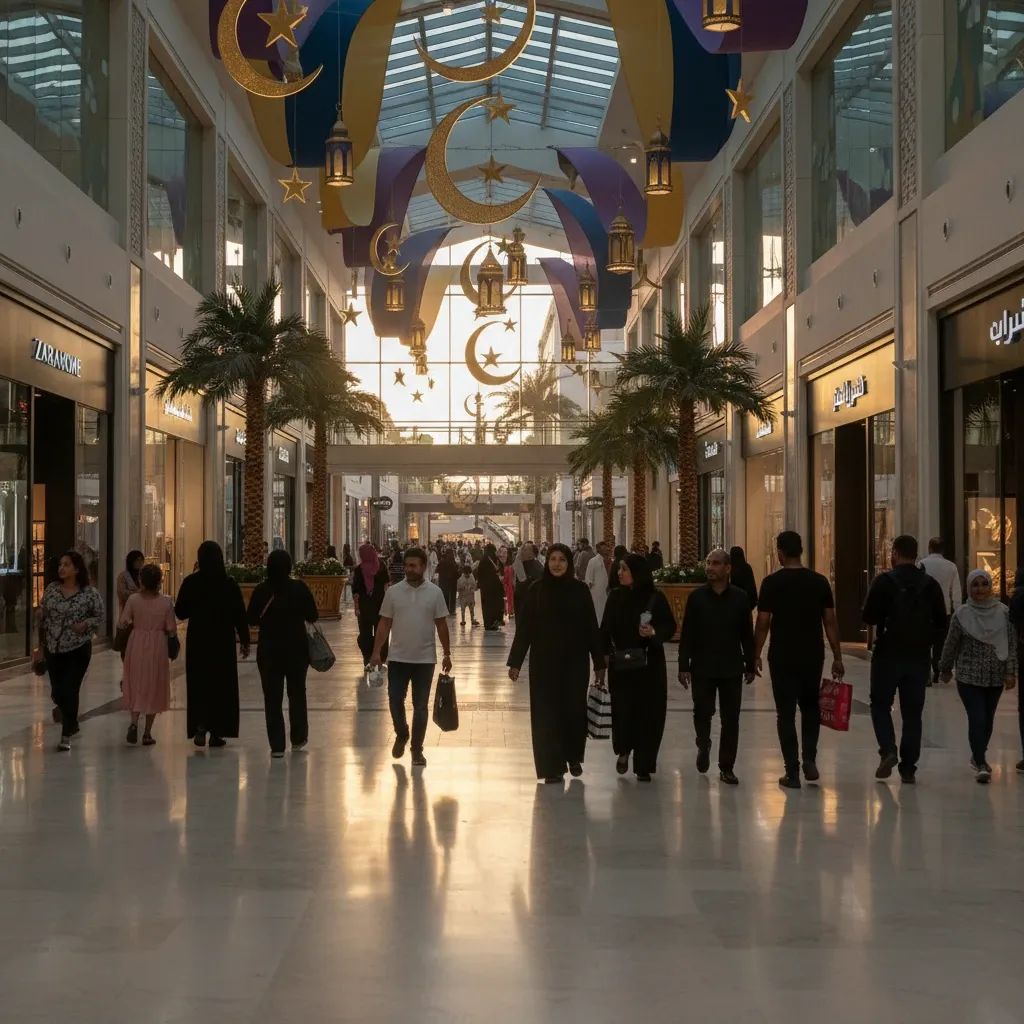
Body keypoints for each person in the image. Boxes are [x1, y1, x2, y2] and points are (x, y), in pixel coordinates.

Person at [754, 531, 844, 789]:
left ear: (780, 552)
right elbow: (830, 621)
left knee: (785, 713)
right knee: (810, 707)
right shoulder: (819, 582)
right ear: (801, 550)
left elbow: (762, 622)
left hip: (782, 655)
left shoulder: (771, 583)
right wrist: (837, 656)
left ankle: (791, 770)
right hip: (812, 654)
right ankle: (809, 759)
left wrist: (755, 653)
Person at [508, 544, 605, 782]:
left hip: (575, 662)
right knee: (545, 714)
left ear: (569, 563)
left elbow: (591, 627)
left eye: (562, 559)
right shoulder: (537, 590)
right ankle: (551, 767)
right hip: (544, 664)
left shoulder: (580, 590)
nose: (557, 564)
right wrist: (516, 662)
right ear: (547, 561)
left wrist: (599, 662)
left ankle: (572, 757)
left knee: (573, 710)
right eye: (553, 559)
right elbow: (525, 629)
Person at [862, 534, 948, 784]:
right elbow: (942, 622)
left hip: (888, 654)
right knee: (912, 713)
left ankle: (888, 750)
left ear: (895, 553)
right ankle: (909, 768)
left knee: (880, 704)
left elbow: (868, 616)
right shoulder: (930, 584)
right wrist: (926, 642)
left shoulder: (884, 581)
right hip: (918, 657)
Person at [678, 548, 756, 785]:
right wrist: (684, 665)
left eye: (716, 563)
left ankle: (727, 766)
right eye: (708, 563)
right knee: (702, 711)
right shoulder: (697, 598)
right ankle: (703, 743)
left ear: (728, 568)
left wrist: (750, 663)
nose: (710, 568)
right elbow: (687, 633)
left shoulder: (740, 598)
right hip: (703, 666)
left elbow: (746, 634)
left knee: (731, 718)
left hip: (731, 667)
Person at [369, 547, 452, 768]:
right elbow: (384, 623)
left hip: (425, 659)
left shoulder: (435, 593)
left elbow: (441, 624)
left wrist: (447, 652)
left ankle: (417, 750)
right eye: (406, 565)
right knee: (395, 700)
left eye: (413, 565)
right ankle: (402, 733)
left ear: (424, 566)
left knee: (421, 705)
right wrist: (376, 652)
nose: (409, 569)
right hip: (397, 658)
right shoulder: (393, 592)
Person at [601, 554, 676, 781]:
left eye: (624, 569)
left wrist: (653, 633)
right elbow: (605, 630)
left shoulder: (655, 598)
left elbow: (669, 626)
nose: (619, 573)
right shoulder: (615, 597)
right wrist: (602, 657)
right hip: (622, 667)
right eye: (620, 569)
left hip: (649, 667)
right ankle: (624, 750)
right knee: (623, 711)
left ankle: (644, 763)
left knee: (649, 713)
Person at [939, 568, 1016, 783]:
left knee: (988, 719)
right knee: (977, 717)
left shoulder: (1003, 613)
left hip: (995, 676)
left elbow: (1010, 645)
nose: (980, 589)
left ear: (990, 587)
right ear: (968, 588)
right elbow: (951, 644)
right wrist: (944, 668)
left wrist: (1011, 673)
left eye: (984, 584)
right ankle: (981, 762)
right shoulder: (962, 614)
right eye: (975, 584)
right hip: (968, 677)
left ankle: (977, 754)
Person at [174, 541, 250, 748]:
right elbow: (239, 615)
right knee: (221, 685)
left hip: (198, 641)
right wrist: (244, 640)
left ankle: (200, 724)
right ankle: (218, 731)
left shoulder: (191, 582)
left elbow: (180, 611)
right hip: (222, 642)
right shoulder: (229, 583)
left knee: (199, 683)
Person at [247, 550, 319, 758]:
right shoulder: (299, 588)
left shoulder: (262, 590)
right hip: (297, 650)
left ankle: (277, 745)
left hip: (269, 650)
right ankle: (298, 738)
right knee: (297, 693)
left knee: (272, 697)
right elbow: (312, 615)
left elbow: (251, 618)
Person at [34, 551, 104, 751]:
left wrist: (86, 624)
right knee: (57, 691)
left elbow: (99, 616)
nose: (61, 568)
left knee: (70, 689)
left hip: (78, 649)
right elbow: (44, 615)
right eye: (60, 565)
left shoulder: (89, 594)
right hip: (54, 648)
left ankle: (66, 734)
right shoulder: (52, 590)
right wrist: (39, 644)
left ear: (77, 568)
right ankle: (71, 720)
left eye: (66, 565)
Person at [120, 563, 177, 746]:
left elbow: (122, 623)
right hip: (157, 645)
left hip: (136, 643)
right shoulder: (166, 602)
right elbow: (171, 628)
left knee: (136, 680)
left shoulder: (133, 600)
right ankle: (147, 733)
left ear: (141, 580)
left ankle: (134, 722)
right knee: (155, 684)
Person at [919, 537, 963, 685]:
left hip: (924, 610)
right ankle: (936, 671)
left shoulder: (922, 564)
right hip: (944, 611)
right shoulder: (951, 567)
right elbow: (956, 592)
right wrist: (957, 611)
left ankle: (925, 673)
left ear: (929, 548)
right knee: (940, 643)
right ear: (943, 550)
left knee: (924, 643)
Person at [351, 542, 390, 668]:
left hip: (365, 607)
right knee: (382, 631)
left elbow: (355, 591)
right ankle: (381, 658)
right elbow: (386, 586)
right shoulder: (381, 566)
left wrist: (356, 607)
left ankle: (368, 658)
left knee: (365, 633)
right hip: (381, 605)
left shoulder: (359, 569)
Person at [476, 543, 505, 630]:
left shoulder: (483, 560)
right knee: (495, 606)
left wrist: (480, 584)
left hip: (485, 588)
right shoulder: (493, 559)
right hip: (494, 587)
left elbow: (479, 574)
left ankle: (488, 624)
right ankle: (494, 623)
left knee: (486, 607)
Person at [585, 540, 614, 626]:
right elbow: (588, 578)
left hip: (608, 592)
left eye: (606, 547)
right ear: (598, 549)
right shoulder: (593, 561)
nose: (606, 549)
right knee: (598, 614)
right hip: (596, 592)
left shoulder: (610, 561)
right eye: (603, 547)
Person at [512, 543, 543, 619]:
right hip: (522, 608)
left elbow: (525, 586)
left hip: (530, 611)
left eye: (524, 549)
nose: (521, 551)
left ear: (531, 554)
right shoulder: (525, 564)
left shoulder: (536, 567)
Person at [729, 546, 758, 611]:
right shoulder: (747, 567)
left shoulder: (730, 569)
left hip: (733, 604)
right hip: (747, 603)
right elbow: (752, 587)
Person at [116, 550, 144, 615]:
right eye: (137, 560)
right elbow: (122, 594)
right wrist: (139, 592)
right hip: (127, 611)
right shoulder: (123, 576)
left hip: (142, 611)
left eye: (141, 560)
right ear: (131, 561)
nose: (140, 563)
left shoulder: (143, 575)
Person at [436, 547, 460, 616]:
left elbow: (438, 570)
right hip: (452, 582)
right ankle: (452, 611)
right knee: (452, 596)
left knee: (445, 596)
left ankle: (445, 610)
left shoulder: (442, 561)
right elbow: (456, 572)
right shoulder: (453, 561)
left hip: (444, 582)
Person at [500, 545, 516, 617]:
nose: (502, 555)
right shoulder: (509, 565)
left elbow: (509, 577)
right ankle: (508, 611)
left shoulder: (509, 566)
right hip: (507, 585)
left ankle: (508, 611)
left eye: (505, 553)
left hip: (508, 585)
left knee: (508, 598)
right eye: (502, 552)